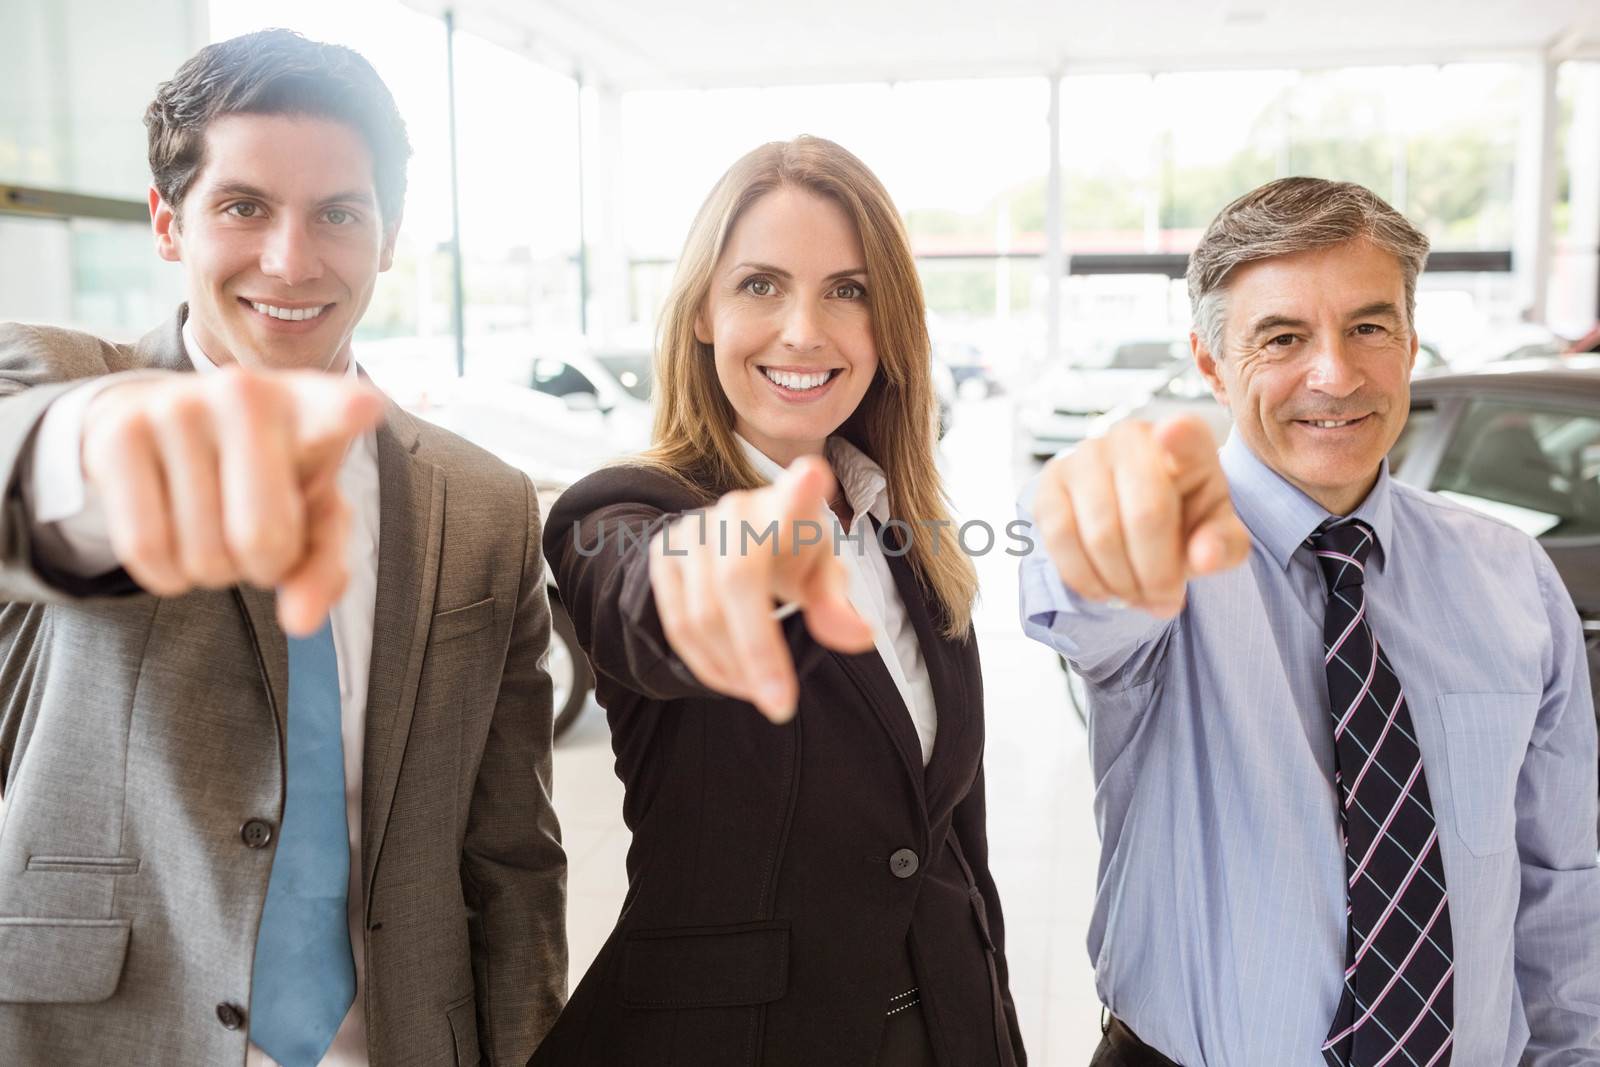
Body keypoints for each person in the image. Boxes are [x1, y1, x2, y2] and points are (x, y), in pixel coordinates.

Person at [0, 30, 566, 1066]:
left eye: (338, 214)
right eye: (244, 206)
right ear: (169, 222)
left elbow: (511, 857)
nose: (291, 260)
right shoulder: (59, 386)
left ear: (387, 236)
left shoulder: (484, 504)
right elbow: (20, 471)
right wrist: (111, 444)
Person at [1018, 176, 1600, 1065]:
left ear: (1409, 343)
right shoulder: (1172, 556)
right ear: (1211, 365)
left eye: (1368, 326)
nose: (1334, 373)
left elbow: (1564, 888)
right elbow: (1087, 591)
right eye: (1282, 337)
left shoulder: (1512, 578)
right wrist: (1086, 516)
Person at [537, 136, 1025, 1066]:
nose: (805, 328)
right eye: (761, 284)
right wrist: (724, 565)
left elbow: (953, 841)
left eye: (849, 289)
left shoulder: (906, 528)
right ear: (704, 315)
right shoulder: (623, 509)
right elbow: (646, 599)